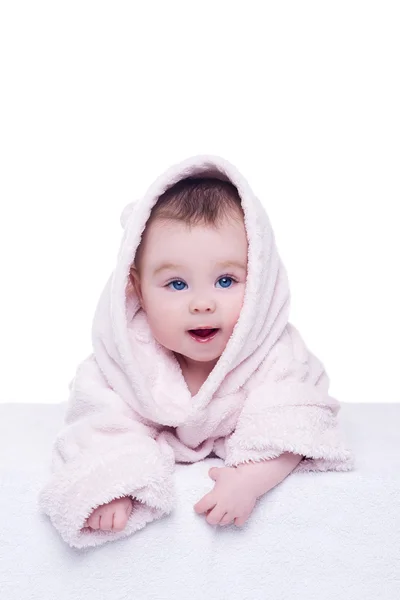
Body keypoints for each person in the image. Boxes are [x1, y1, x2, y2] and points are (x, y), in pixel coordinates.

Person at [38, 155, 354, 549]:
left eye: (226, 280)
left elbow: (296, 422)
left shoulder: (275, 354)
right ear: (135, 289)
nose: (202, 303)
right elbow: (102, 422)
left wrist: (252, 479)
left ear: (261, 282)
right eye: (176, 284)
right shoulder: (126, 362)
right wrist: (114, 480)